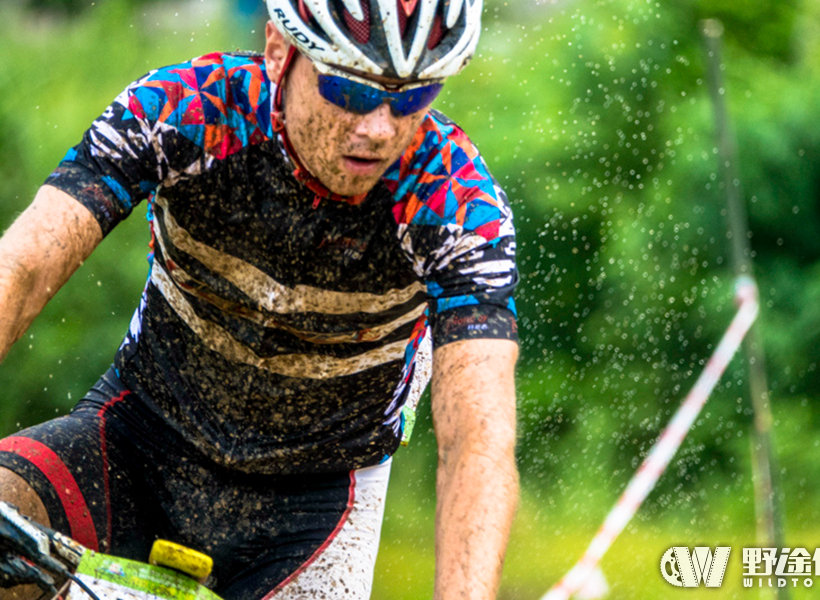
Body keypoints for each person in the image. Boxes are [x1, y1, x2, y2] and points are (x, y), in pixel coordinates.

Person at [0, 0, 519, 598]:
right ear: (278, 49)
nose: (379, 127)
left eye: (409, 98)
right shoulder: (193, 110)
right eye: (349, 89)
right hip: (138, 443)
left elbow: (477, 438)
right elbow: (25, 265)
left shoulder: (452, 200)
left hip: (314, 506)